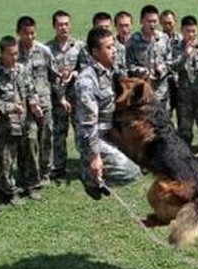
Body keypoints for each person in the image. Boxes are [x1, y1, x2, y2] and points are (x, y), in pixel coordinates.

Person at [75, 27, 141, 200]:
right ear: (95, 52)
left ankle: (96, 174)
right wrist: (94, 156)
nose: (114, 51)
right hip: (94, 138)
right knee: (131, 173)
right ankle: (88, 174)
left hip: (110, 132)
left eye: (114, 46)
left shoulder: (110, 71)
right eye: (109, 48)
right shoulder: (87, 81)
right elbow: (88, 124)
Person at [0, 36, 42, 204]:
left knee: (31, 153)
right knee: (7, 159)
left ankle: (32, 185)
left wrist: (34, 103)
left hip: (26, 121)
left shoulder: (22, 69)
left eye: (16, 53)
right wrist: (10, 107)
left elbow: (31, 89)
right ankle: (10, 190)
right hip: (7, 125)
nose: (15, 57)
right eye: (11, 54)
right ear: (2, 53)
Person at [16, 15, 63, 187]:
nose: (29, 37)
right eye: (26, 34)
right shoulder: (14, 52)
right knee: (27, 141)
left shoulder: (44, 51)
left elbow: (55, 77)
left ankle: (45, 172)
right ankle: (27, 174)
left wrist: (61, 98)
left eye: (33, 34)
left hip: (44, 104)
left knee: (46, 138)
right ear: (19, 33)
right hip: (23, 106)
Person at [170, 15, 198, 164]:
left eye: (194, 31)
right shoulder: (176, 47)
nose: (191, 34)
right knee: (185, 129)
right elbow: (172, 67)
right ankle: (186, 155)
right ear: (182, 31)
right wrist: (185, 55)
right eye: (188, 31)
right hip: (185, 97)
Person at [46, 10, 83, 180]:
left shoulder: (79, 46)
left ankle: (85, 166)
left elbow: (85, 68)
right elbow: (45, 74)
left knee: (81, 132)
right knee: (59, 133)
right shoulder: (48, 49)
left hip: (76, 96)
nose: (64, 28)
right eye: (60, 24)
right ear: (54, 26)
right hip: (57, 98)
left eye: (66, 24)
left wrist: (74, 73)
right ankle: (59, 167)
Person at [127, 5, 172, 110]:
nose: (152, 25)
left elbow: (170, 61)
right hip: (142, 94)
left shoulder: (164, 39)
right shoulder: (133, 41)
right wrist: (140, 71)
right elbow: (128, 65)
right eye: (149, 21)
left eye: (155, 21)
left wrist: (162, 69)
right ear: (141, 21)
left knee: (163, 124)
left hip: (161, 93)